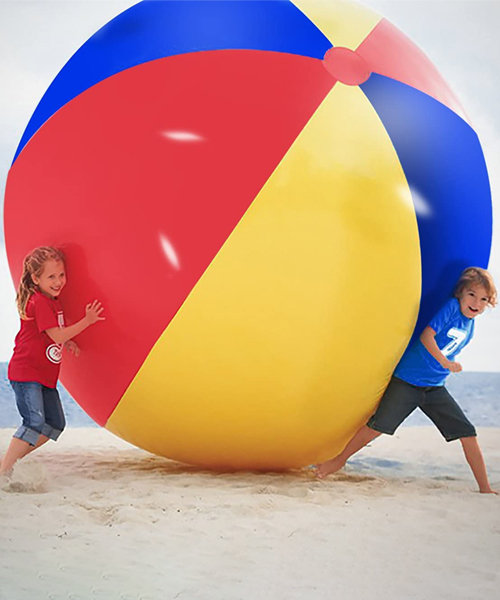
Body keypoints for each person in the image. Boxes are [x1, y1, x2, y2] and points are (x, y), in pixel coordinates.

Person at [316, 267, 498, 494]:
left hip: (434, 388)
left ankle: (485, 488)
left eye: (483, 299)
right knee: (376, 427)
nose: (476, 303)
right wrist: (445, 362)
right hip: (408, 381)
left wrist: (448, 364)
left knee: (467, 434)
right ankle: (338, 461)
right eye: (471, 294)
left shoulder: (470, 325)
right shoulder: (452, 308)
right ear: (460, 293)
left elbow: (449, 348)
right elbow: (427, 336)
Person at [0, 246, 104, 475]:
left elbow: (52, 333)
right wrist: (87, 321)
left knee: (55, 424)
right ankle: (4, 469)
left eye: (61, 275)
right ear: (36, 279)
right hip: (27, 373)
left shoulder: (53, 301)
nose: (58, 281)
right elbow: (56, 334)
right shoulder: (39, 301)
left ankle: (8, 461)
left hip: (44, 375)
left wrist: (68, 342)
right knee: (33, 423)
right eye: (51, 277)